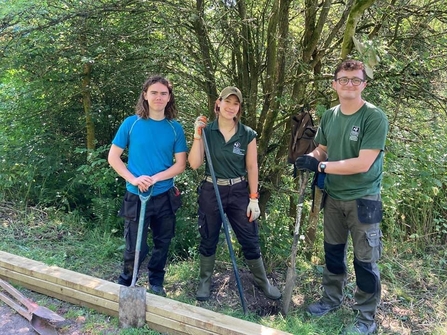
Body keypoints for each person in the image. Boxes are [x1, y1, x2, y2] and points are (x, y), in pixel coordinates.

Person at [295, 59, 388, 334]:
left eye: (355, 80)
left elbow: (363, 163)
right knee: (333, 253)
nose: (349, 84)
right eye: (344, 79)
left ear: (364, 84)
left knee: (365, 261)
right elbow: (323, 149)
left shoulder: (374, 117)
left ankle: (365, 318)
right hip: (333, 197)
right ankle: (331, 300)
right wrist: (308, 158)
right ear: (335, 84)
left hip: (364, 199)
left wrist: (320, 166)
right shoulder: (330, 116)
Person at [188, 86, 281, 302]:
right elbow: (194, 164)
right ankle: (205, 280)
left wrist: (254, 198)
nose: (230, 107)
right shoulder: (207, 131)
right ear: (218, 103)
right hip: (212, 189)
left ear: (239, 108)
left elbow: (252, 167)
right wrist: (196, 135)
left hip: (239, 191)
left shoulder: (246, 134)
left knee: (249, 238)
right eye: (227, 102)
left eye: (235, 103)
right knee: (208, 236)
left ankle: (262, 281)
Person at [108, 75, 187, 296]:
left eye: (163, 93)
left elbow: (180, 164)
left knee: (163, 242)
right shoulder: (130, 124)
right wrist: (133, 179)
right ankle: (125, 284)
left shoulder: (175, 128)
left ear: (169, 97)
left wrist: (156, 178)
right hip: (136, 195)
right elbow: (113, 157)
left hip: (164, 196)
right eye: (154, 92)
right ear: (145, 95)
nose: (158, 97)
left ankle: (156, 283)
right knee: (135, 247)